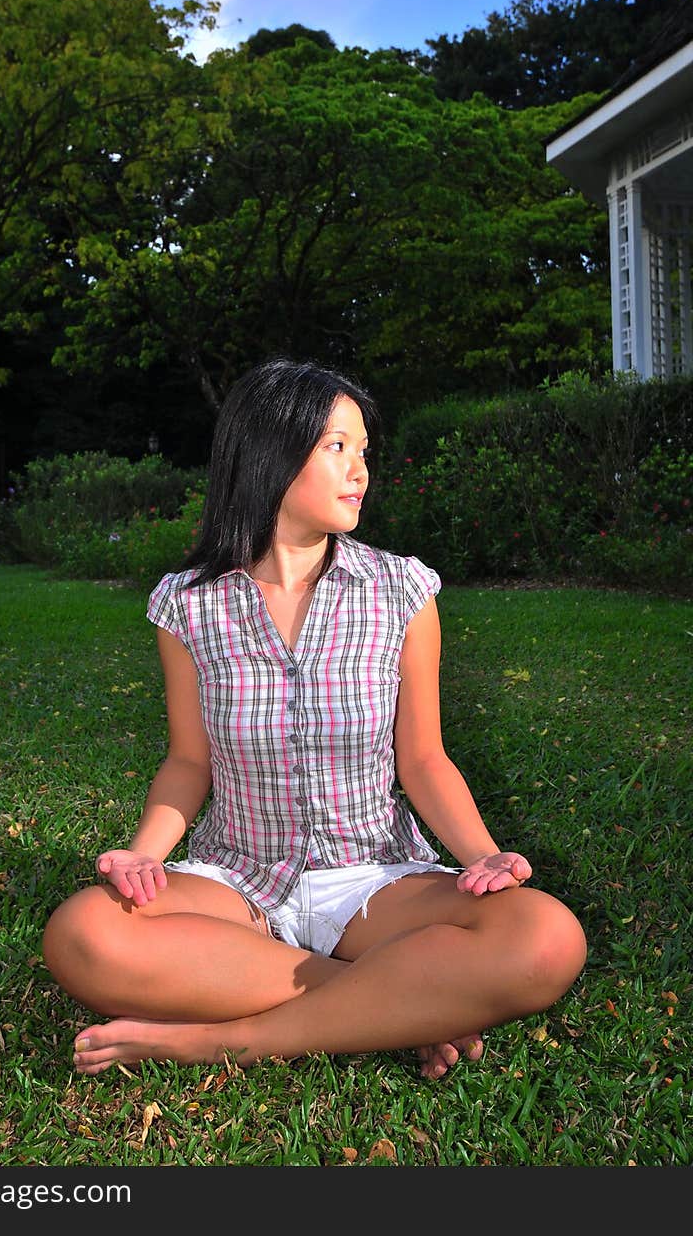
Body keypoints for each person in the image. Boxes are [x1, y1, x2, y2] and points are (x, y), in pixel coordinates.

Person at [42, 358, 587, 1079]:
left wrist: (482, 855)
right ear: (270, 452)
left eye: (363, 451)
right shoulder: (188, 605)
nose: (359, 468)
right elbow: (188, 762)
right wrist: (146, 852)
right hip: (238, 878)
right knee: (82, 932)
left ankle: (216, 1038)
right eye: (337, 447)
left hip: (373, 879)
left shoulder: (402, 591)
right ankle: (396, 1006)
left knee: (546, 935)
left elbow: (422, 758)